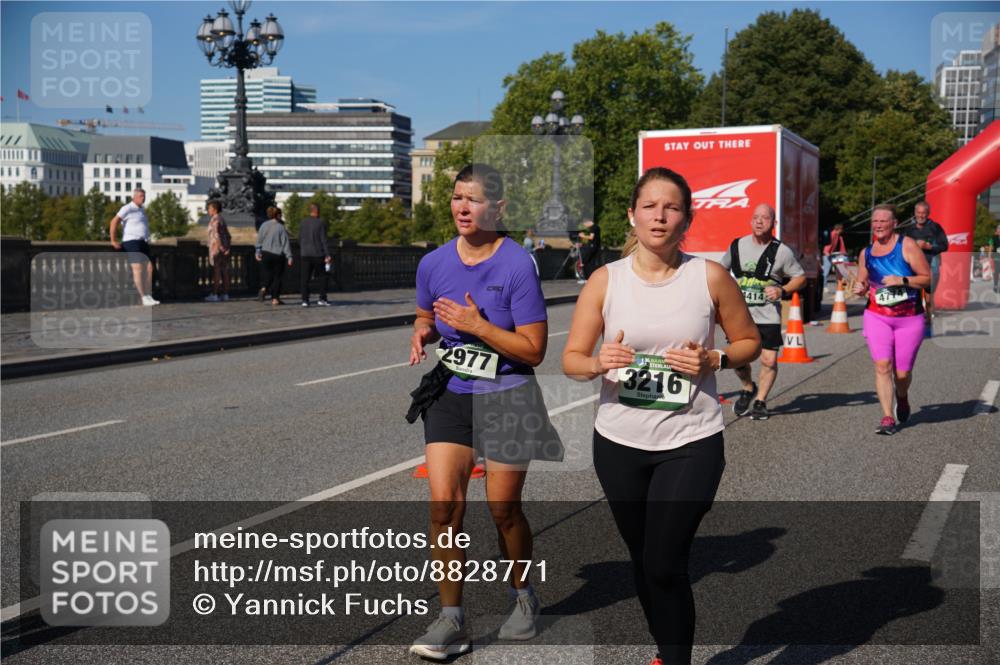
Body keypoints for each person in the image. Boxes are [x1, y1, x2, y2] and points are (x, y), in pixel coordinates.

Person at [562, 167, 760, 665]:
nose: (660, 215)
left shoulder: (709, 276)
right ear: (632, 214)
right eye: (650, 205)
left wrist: (714, 359)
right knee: (643, 559)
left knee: (665, 562)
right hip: (619, 442)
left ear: (686, 219)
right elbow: (572, 359)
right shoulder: (606, 281)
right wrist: (598, 362)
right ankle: (665, 647)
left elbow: (749, 342)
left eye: (671, 207)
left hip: (692, 439)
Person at [407, 163, 562, 660]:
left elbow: (534, 350)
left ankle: (523, 595)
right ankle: (452, 619)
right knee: (444, 508)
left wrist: (476, 325)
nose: (463, 206)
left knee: (503, 509)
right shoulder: (432, 263)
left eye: (474, 199)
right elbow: (426, 312)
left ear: (498, 208)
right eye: (457, 197)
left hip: (509, 392)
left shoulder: (517, 264)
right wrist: (423, 331)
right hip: (451, 393)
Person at [718, 203, 806, 421]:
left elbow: (800, 277)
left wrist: (781, 290)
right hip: (740, 317)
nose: (759, 221)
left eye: (765, 218)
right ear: (750, 221)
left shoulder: (782, 251)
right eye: (756, 217)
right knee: (738, 361)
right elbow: (720, 271)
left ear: (773, 223)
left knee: (769, 360)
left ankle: (761, 401)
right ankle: (748, 387)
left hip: (768, 316)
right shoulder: (737, 245)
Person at [852, 204, 932, 435]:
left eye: (883, 221)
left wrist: (903, 280)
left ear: (894, 223)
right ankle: (887, 416)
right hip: (877, 316)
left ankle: (902, 396)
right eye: (875, 221)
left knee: (902, 374)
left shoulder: (907, 246)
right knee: (882, 365)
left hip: (909, 318)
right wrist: (860, 288)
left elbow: (927, 278)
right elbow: (863, 282)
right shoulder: (866, 253)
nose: (877, 225)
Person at [109, 188, 158, 306]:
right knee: (138, 269)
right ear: (134, 197)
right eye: (141, 196)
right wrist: (113, 240)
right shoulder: (127, 208)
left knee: (150, 268)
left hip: (143, 242)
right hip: (131, 242)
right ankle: (143, 297)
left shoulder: (141, 210)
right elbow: (114, 222)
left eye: (144, 196)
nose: (143, 198)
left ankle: (148, 295)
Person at [902, 201, 948, 322]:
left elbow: (944, 246)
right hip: (912, 266)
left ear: (928, 213)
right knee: (912, 295)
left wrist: (929, 247)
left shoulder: (935, 227)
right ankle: (913, 319)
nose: (921, 215)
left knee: (928, 299)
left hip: (931, 265)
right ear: (915, 213)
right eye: (918, 212)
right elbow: (900, 246)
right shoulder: (909, 229)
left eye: (924, 213)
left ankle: (929, 318)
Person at [255, 206, 293, 306]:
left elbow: (259, 240)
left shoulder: (264, 225)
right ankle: (275, 299)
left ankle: (263, 288)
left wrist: (257, 252)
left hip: (265, 253)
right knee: (277, 277)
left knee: (267, 274)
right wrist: (289, 256)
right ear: (278, 215)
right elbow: (285, 243)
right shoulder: (281, 227)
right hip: (277, 255)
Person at [298, 203, 332, 307]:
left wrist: (303, 248)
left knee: (305, 278)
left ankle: (305, 300)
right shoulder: (321, 222)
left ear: (310, 211)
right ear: (317, 211)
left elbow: (300, 238)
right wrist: (327, 254)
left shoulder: (303, 222)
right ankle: (322, 298)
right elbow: (323, 240)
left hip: (305, 254)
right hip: (318, 254)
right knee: (323, 277)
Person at [205, 200, 231, 302]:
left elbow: (216, 235)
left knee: (217, 271)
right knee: (224, 270)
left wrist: (221, 247)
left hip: (217, 249)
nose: (208, 210)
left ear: (214, 209)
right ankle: (225, 294)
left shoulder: (215, 220)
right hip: (224, 248)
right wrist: (227, 247)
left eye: (209, 208)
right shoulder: (222, 219)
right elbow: (228, 235)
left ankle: (215, 294)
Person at [822, 223, 847, 289]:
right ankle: (824, 286)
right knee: (826, 271)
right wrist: (826, 252)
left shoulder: (839, 236)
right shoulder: (832, 234)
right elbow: (828, 244)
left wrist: (843, 252)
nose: (842, 231)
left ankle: (840, 283)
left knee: (840, 267)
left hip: (833, 254)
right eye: (841, 230)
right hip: (827, 254)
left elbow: (842, 245)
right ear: (839, 229)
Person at [990, 224, 1000, 293]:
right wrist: (990, 257)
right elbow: (991, 247)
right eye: (999, 229)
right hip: (996, 258)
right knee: (996, 272)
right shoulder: (993, 238)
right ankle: (995, 285)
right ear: (997, 230)